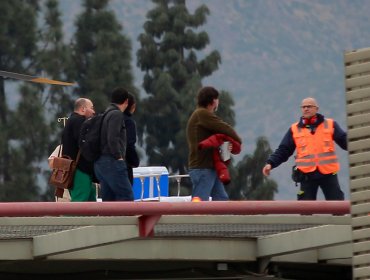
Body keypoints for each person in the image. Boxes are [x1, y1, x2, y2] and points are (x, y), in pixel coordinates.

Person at [262, 97, 347, 200]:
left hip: (328, 173)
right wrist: (271, 163)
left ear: (316, 109)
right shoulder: (295, 129)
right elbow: (284, 149)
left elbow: (345, 141)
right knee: (306, 210)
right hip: (307, 175)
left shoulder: (330, 124)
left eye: (309, 106)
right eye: (304, 107)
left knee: (337, 206)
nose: (306, 109)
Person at [186, 86, 242, 201]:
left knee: (221, 199)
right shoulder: (202, 114)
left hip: (209, 168)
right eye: (217, 99)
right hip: (203, 168)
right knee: (200, 203)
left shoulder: (201, 115)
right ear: (213, 101)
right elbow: (224, 128)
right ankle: (194, 220)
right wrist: (237, 141)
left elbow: (217, 137)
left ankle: (222, 220)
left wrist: (226, 146)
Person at [94, 87, 134, 201]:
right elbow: (112, 138)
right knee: (127, 196)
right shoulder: (116, 114)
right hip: (112, 161)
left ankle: (110, 219)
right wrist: (119, 157)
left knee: (109, 201)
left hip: (100, 163)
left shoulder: (106, 113)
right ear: (126, 101)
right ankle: (126, 220)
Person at [61, 98, 96, 201]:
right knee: (79, 204)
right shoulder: (79, 121)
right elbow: (85, 143)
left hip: (74, 169)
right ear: (83, 109)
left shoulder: (70, 121)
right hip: (80, 170)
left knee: (90, 201)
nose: (94, 111)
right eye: (92, 108)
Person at [124, 93, 140, 185]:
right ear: (133, 106)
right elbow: (129, 144)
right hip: (124, 165)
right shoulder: (129, 122)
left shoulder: (109, 117)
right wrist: (134, 161)